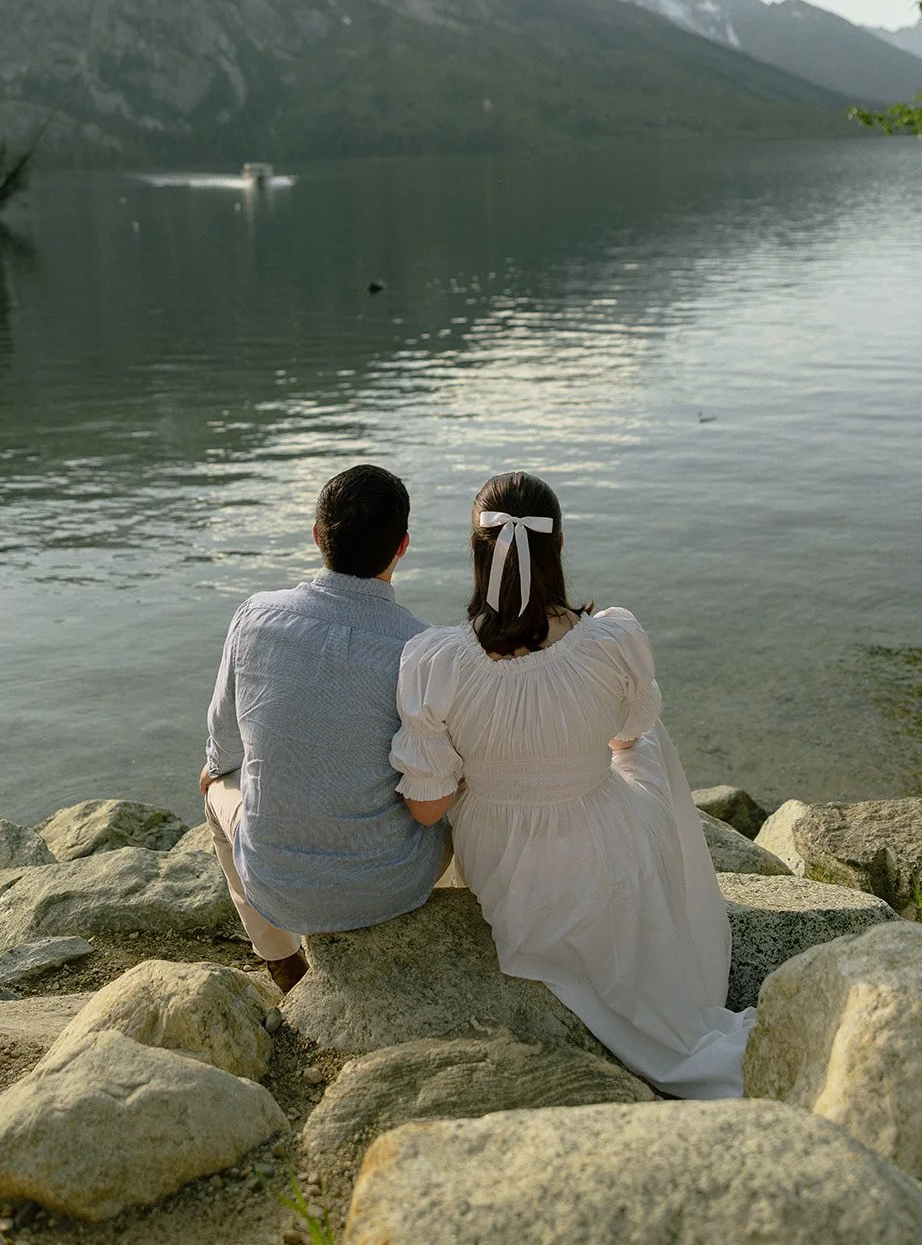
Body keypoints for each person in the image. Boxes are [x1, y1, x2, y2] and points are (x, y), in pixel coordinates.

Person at [390, 470, 754, 1098]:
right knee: (647, 742)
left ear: (477, 555)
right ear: (557, 549)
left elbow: (427, 810)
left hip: (502, 862)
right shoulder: (611, 640)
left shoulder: (436, 660)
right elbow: (634, 727)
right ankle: (672, 908)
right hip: (602, 834)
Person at [203, 463, 447, 992]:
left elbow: (223, 743)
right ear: (402, 546)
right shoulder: (425, 649)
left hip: (278, 888)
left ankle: (282, 963)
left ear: (317, 536)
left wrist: (219, 770)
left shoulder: (255, 617)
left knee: (216, 783)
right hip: (396, 884)